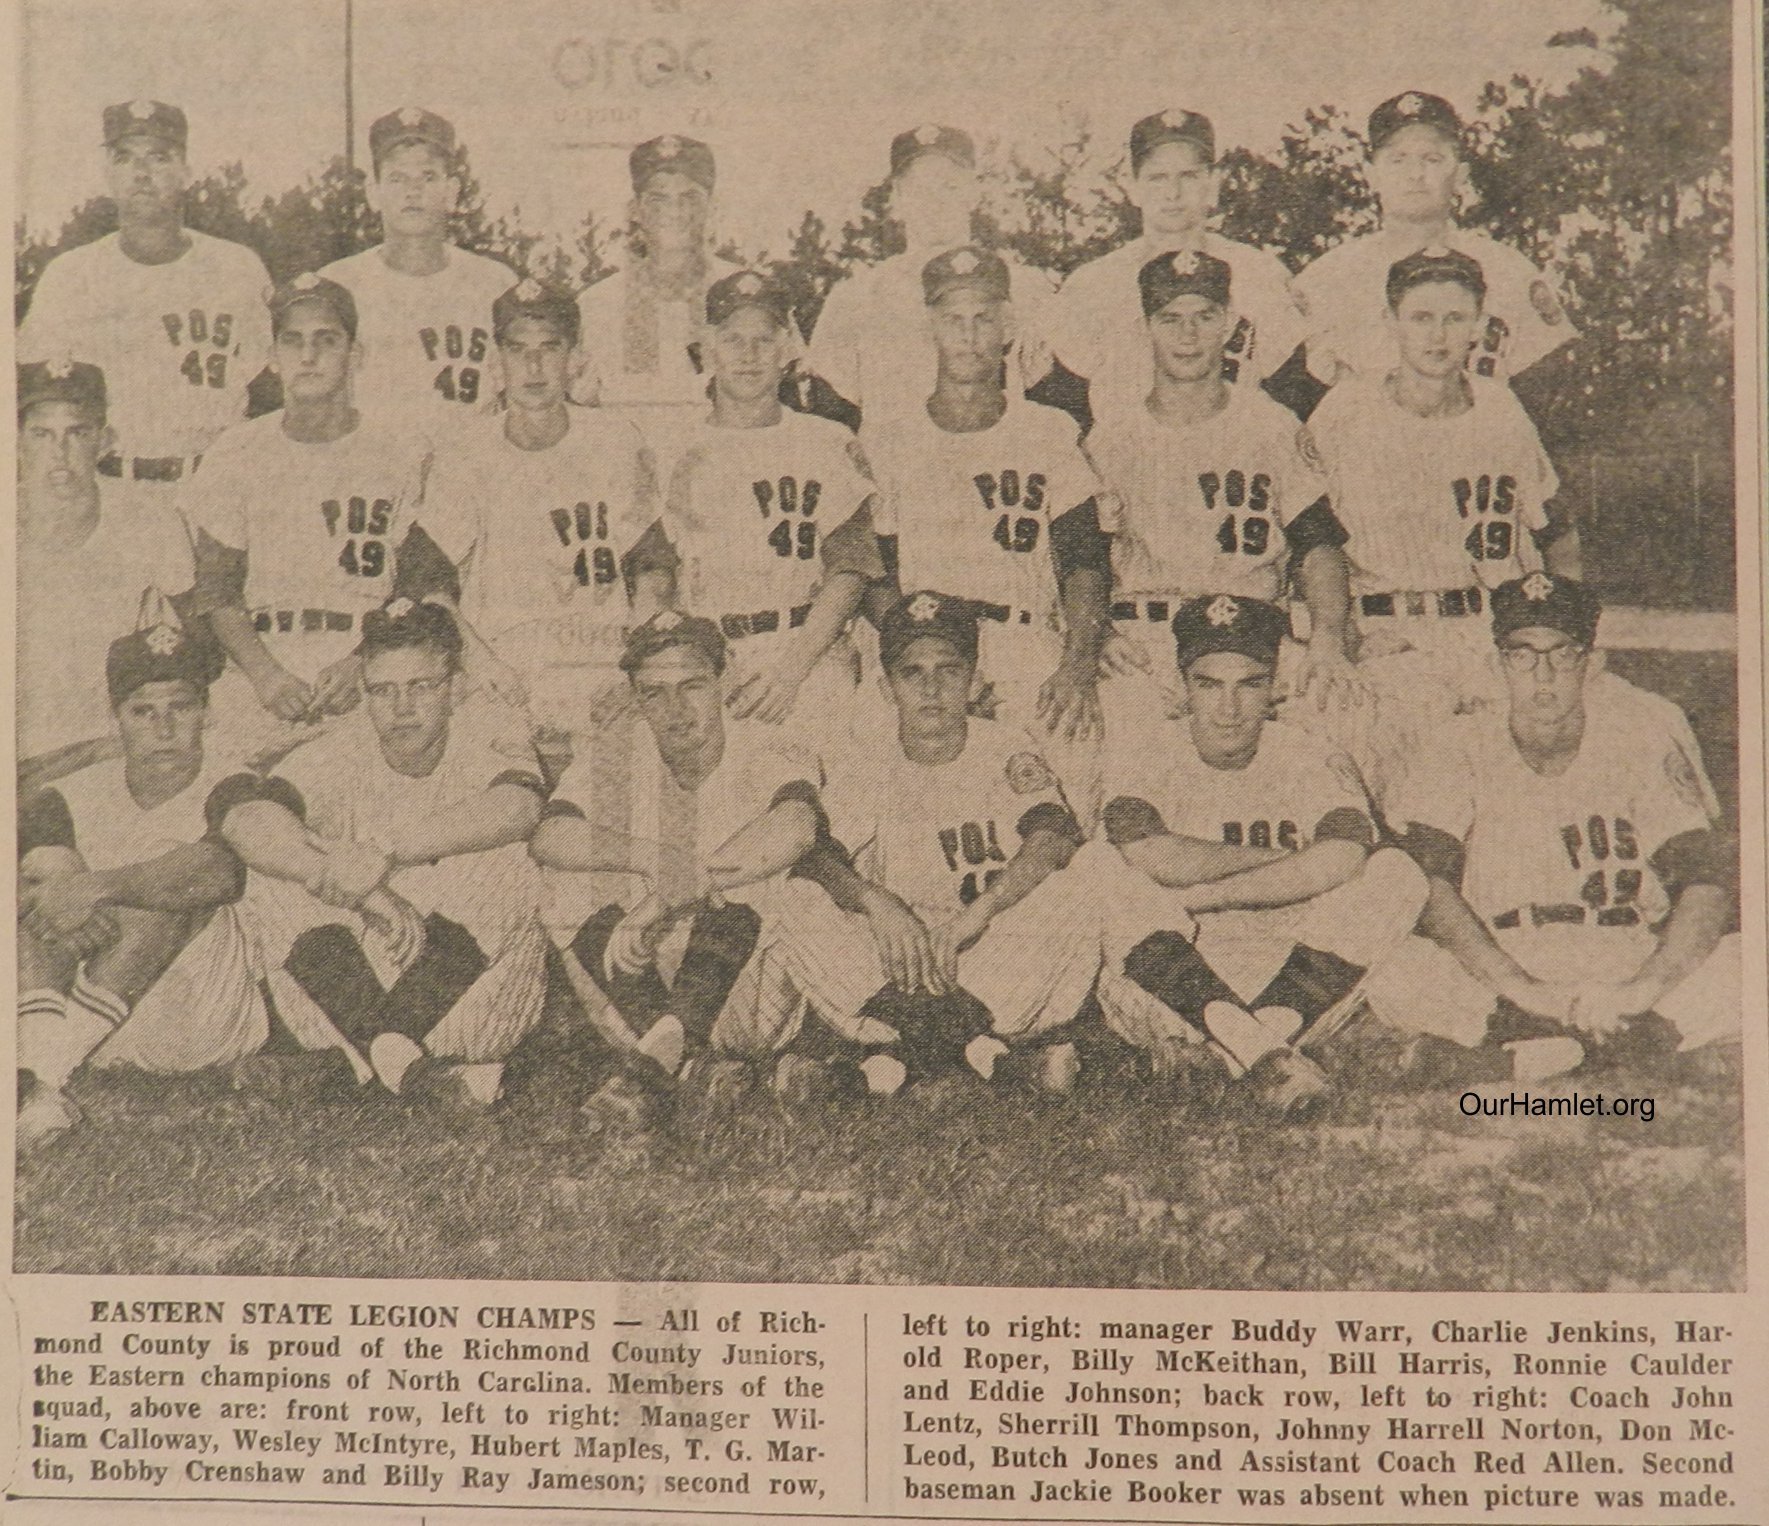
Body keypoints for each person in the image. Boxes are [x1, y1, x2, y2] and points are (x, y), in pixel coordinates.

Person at [1369, 574, 1738, 1081]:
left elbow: (1707, 882)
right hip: (1505, 958)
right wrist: (1521, 987)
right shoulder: (1457, 743)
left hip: (1623, 953)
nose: (1543, 674)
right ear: (1499, 662)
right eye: (1523, 654)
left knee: (1748, 958)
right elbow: (1428, 887)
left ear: (1587, 660)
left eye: (1560, 654)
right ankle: (1636, 1043)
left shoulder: (1639, 738)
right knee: (1395, 966)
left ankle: (1517, 1053)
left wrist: (1642, 988)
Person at [733, 593, 1101, 1096]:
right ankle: (986, 1059)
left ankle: (875, 1072)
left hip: (985, 959)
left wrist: (986, 908)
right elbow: (817, 853)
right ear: (887, 688)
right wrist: (875, 902)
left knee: (1080, 881)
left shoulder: (1004, 746)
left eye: (949, 671)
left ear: (974, 682)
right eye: (913, 673)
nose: (932, 688)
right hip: (900, 967)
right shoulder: (869, 760)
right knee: (797, 893)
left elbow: (1054, 837)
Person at [1089, 594, 1428, 1116]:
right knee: (1101, 864)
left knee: (1396, 872)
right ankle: (1261, 1051)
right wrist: (1286, 860)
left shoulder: (1305, 751)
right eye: (1210, 684)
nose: (1228, 708)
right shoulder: (1147, 750)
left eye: (1248, 684)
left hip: (1300, 978)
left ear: (1272, 688)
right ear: (1184, 686)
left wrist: (1202, 896)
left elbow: (1342, 857)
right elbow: (1152, 855)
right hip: (1172, 977)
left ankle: (1245, 1049)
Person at [216, 600, 549, 1106]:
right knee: (274, 872)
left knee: (506, 864)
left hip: (465, 997)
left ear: (455, 687)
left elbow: (520, 807)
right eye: (383, 691)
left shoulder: (490, 731)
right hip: (351, 978)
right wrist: (352, 883)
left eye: (421, 686)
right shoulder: (339, 749)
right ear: (365, 694)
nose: (402, 707)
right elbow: (245, 822)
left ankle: (360, 1067)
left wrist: (383, 854)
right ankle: (409, 1071)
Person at [528, 611, 828, 1115]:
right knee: (567, 886)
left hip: (752, 987)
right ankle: (685, 1063)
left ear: (724, 679)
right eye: (654, 693)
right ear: (636, 697)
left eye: (692, 686)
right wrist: (656, 859)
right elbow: (549, 836)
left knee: (760, 884)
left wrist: (678, 887)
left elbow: (797, 826)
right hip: (646, 980)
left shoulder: (768, 741)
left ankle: (653, 1069)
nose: (676, 709)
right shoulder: (620, 752)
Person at [1300, 247, 1571, 797]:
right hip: (1387, 635)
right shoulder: (1345, 411)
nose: (1438, 335)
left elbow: (1556, 528)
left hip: (1491, 634)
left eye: (1455, 318)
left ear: (1478, 326)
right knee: (1384, 763)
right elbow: (1310, 536)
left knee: (1538, 776)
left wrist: (1568, 634)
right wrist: (1333, 635)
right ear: (1390, 322)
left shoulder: (1501, 410)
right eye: (1421, 317)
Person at [1083, 250, 1355, 731]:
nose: (1188, 336)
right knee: (1114, 729)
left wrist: (1328, 639)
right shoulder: (1110, 438)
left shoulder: (1269, 425)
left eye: (1204, 317)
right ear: (1146, 326)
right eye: (1171, 319)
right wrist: (1099, 632)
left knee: (1340, 712)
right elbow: (1081, 558)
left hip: (1254, 635)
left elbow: (1317, 544)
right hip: (1147, 638)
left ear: (1229, 324)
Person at [185, 272, 446, 766]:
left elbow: (420, 577)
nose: (308, 357)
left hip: (372, 663)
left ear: (356, 354)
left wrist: (363, 660)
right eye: (293, 341)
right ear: (272, 356)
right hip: (264, 662)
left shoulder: (404, 450)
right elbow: (216, 591)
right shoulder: (236, 451)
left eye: (326, 341)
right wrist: (267, 676)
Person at [18, 624, 262, 1150]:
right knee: (36, 889)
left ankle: (37, 1076)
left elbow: (217, 873)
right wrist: (59, 892)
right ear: (116, 718)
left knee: (174, 881)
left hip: (199, 1021)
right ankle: (41, 1084)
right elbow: (40, 881)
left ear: (208, 713)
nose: (165, 727)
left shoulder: (234, 782)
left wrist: (96, 890)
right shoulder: (69, 795)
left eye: (181, 707)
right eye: (143, 711)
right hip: (89, 1025)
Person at [861, 247, 1110, 762]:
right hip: (921, 650)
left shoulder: (1048, 430)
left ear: (1008, 325)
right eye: (953, 320)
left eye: (984, 318)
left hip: (1023, 643)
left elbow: (1084, 561)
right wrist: (922, 661)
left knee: (1069, 769)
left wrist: (1079, 662)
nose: (969, 335)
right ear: (930, 327)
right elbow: (876, 577)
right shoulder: (888, 439)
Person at [418, 278, 666, 752]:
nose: (533, 367)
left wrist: (636, 665)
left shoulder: (615, 441)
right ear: (496, 362)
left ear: (575, 359)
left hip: (601, 658)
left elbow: (652, 569)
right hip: (503, 668)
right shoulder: (466, 452)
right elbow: (426, 578)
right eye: (518, 350)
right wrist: (478, 660)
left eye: (549, 349)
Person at [655, 269, 883, 730]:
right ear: (707, 348)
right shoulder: (668, 449)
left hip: (808, 652)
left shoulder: (827, 441)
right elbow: (653, 573)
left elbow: (851, 570)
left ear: (787, 348)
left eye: (764, 340)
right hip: (707, 655)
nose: (749, 355)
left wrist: (790, 671)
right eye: (733, 340)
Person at [17, 99, 270, 510]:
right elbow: (30, 402)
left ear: (186, 171)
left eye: (159, 157)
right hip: (110, 489)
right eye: (125, 158)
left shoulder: (237, 268)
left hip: (219, 487)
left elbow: (266, 391)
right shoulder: (69, 277)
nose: (142, 173)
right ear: (108, 175)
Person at [1047, 108, 1312, 428]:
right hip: (1126, 460)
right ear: (1132, 185)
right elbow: (1065, 404)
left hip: (1234, 457)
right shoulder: (1091, 284)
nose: (1172, 194)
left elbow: (1291, 393)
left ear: (1213, 181)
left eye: (1188, 176)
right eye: (1157, 178)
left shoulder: (1261, 274)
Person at [1296, 91, 1574, 390]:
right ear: (1371, 175)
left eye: (1432, 159)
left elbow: (1548, 387)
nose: (1415, 174)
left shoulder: (1508, 270)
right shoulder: (1324, 279)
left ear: (1460, 175)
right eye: (1397, 159)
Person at [17, 359, 196, 789]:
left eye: (77, 433)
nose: (59, 453)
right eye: (42, 434)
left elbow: (199, 645)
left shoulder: (149, 519)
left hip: (108, 752)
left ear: (104, 442)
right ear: (16, 442)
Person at [806, 124, 1055, 423]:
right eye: (919, 189)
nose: (935, 202)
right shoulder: (855, 298)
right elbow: (832, 417)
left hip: (998, 462)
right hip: (894, 462)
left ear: (974, 192)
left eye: (949, 186)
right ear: (896, 196)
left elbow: (1052, 399)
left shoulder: (1027, 288)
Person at [320, 107, 515, 432]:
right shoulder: (338, 284)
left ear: (452, 191)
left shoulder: (494, 283)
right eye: (397, 178)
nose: (413, 191)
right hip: (370, 470)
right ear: (374, 193)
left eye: (428, 176)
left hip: (469, 470)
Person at [570, 133, 748, 460]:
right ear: (635, 210)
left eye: (690, 198)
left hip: (728, 483)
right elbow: (577, 412)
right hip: (626, 487)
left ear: (713, 207)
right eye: (658, 199)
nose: (675, 211)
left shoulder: (746, 293)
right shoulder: (597, 304)